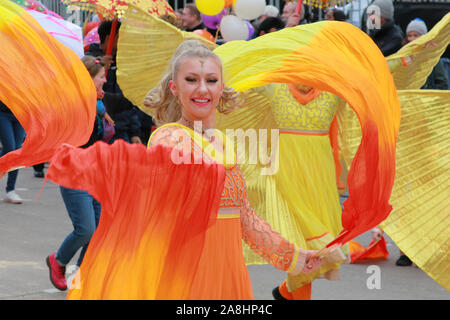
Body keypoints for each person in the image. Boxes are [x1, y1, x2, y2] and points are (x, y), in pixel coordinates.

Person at [44, 40, 324, 300]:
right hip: (186, 279)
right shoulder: (171, 138)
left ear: (221, 86)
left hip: (229, 276)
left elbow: (246, 219)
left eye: (211, 80)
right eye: (191, 80)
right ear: (174, 88)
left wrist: (294, 258)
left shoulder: (225, 143)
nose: (202, 89)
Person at [45, 56, 108, 291]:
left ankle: (80, 277)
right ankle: (58, 261)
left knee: (98, 229)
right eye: (101, 77)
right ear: (88, 79)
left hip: (95, 173)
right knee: (86, 229)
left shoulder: (99, 104)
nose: (105, 80)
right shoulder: (73, 105)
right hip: (73, 173)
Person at [86, 20, 143, 145]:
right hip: (99, 133)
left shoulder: (122, 62)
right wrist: (100, 65)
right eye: (121, 36)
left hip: (122, 131)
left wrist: (135, 132)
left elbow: (127, 100)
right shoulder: (90, 61)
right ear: (109, 38)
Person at [405, 18, 448, 90]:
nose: (412, 39)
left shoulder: (432, 56)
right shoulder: (404, 55)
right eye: (409, 35)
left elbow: (443, 84)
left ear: (424, 37)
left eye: (416, 35)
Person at [0, 100, 26, 204]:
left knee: (17, 152)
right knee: (10, 149)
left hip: (20, 113)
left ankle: (10, 190)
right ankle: (10, 191)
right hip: (2, 113)